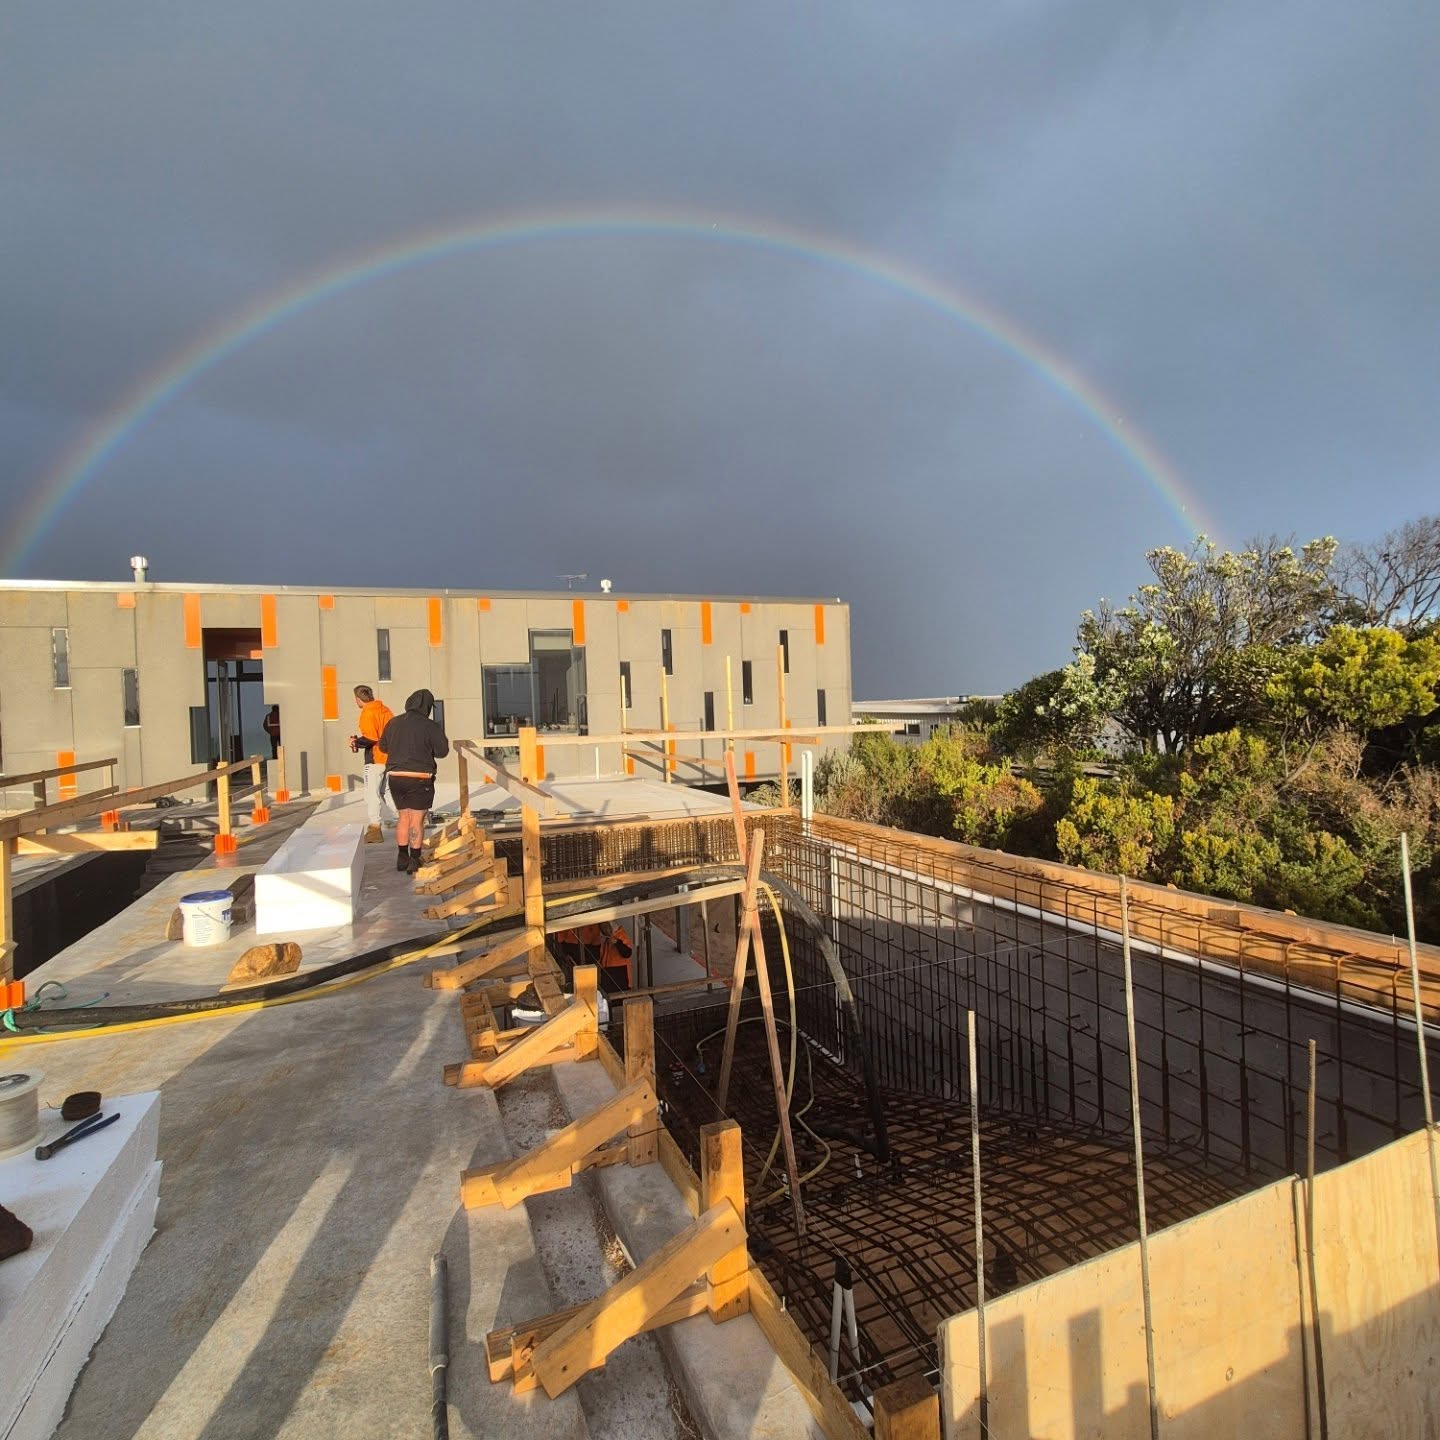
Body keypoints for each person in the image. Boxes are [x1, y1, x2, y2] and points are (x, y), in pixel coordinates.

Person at [378, 688, 449, 874]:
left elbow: (383, 747)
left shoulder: (394, 722)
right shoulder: (429, 725)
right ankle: (414, 859)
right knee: (416, 819)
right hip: (419, 778)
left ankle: (402, 857)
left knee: (403, 817)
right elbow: (442, 752)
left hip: (395, 777)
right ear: (427, 707)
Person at [349, 685, 395, 842]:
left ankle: (374, 829)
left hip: (375, 759)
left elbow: (371, 738)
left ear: (358, 699)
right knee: (386, 793)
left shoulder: (367, 713)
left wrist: (356, 741)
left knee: (371, 795)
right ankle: (407, 819)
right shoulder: (386, 710)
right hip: (389, 758)